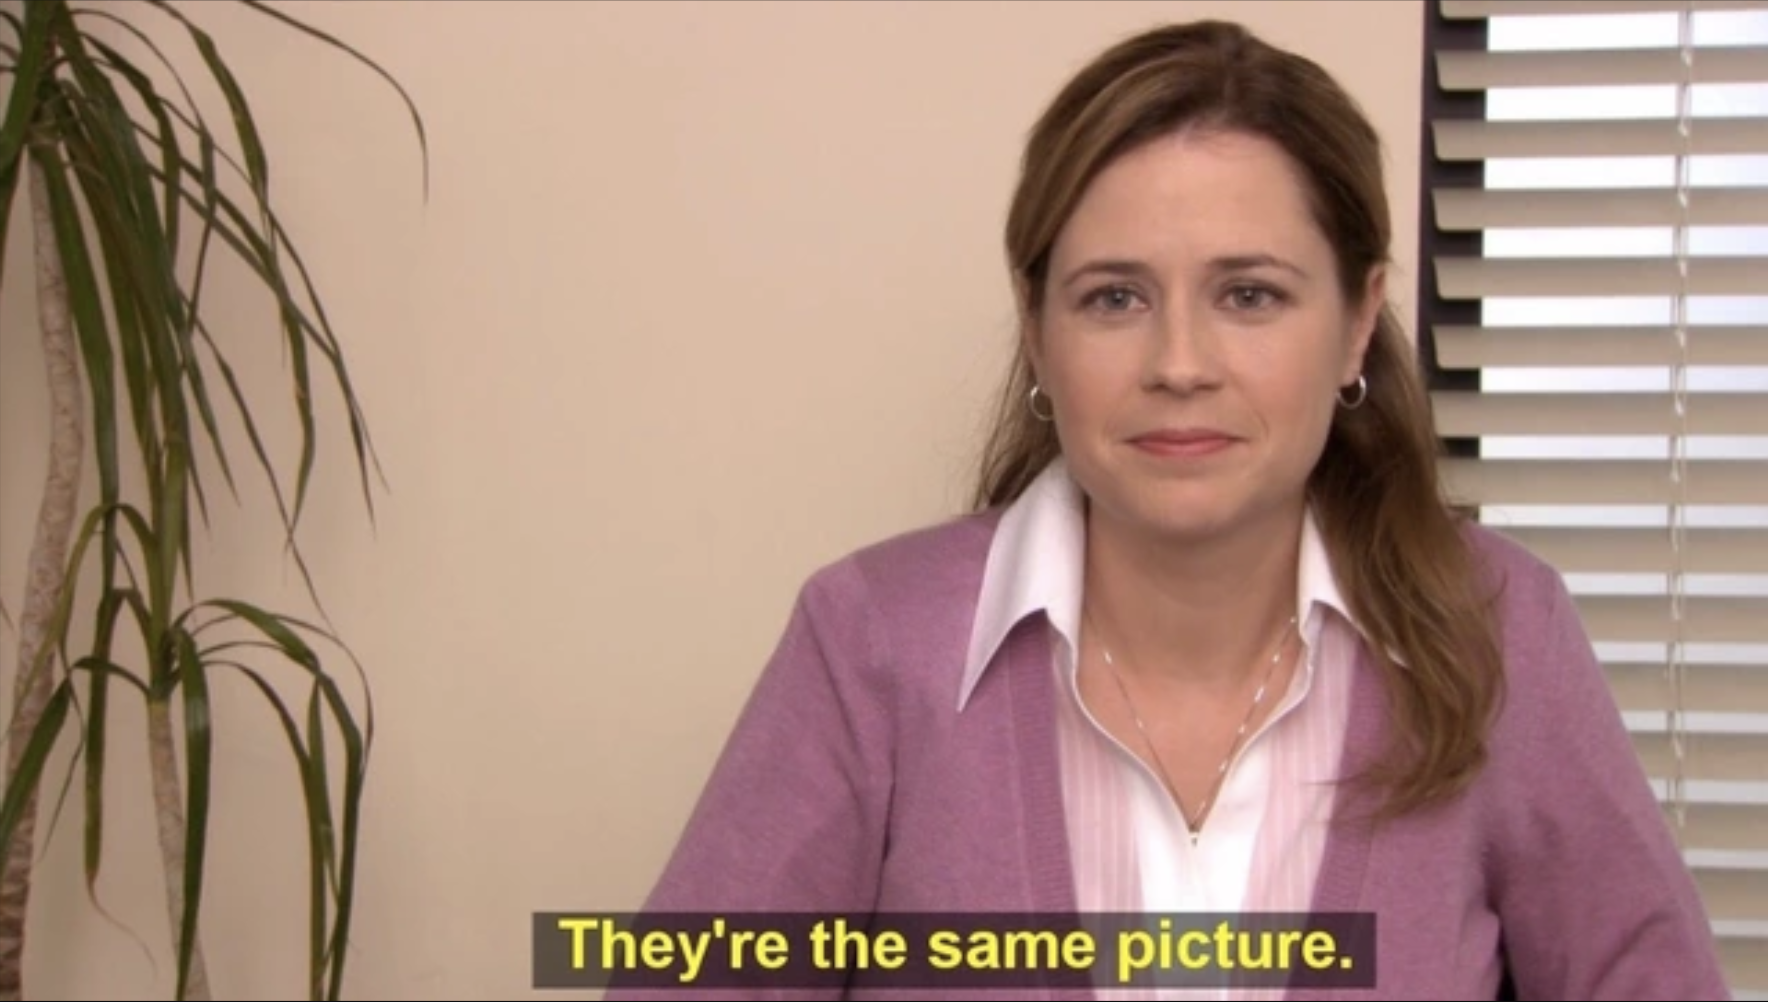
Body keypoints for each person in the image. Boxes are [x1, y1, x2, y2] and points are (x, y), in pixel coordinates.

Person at [604, 19, 1731, 1002]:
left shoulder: (1499, 629)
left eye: (1249, 294)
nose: (1179, 363)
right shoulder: (869, 642)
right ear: (1037, 328)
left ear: (1355, 323)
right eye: (1114, 298)